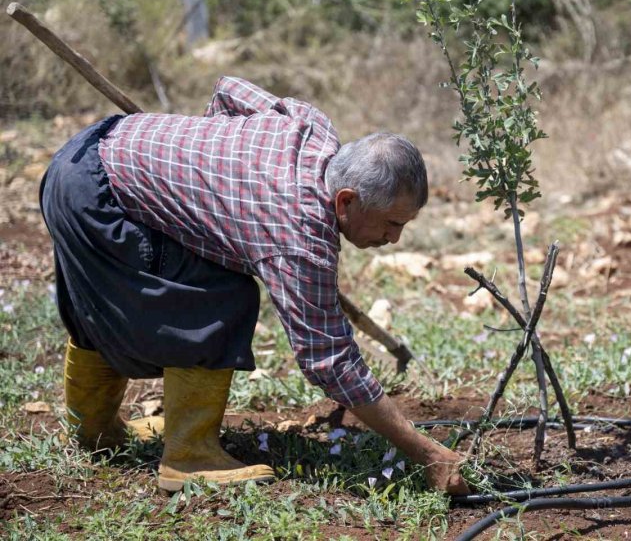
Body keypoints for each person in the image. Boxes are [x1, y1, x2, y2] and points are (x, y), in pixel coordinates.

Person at [39, 76, 470, 495]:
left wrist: (209, 170)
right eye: (392, 224)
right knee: (222, 297)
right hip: (97, 194)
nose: (395, 239)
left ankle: (97, 434)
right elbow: (329, 361)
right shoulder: (300, 239)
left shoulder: (311, 126)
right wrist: (425, 452)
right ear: (346, 201)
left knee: (106, 300)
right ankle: (188, 457)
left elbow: (229, 89)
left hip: (83, 152)